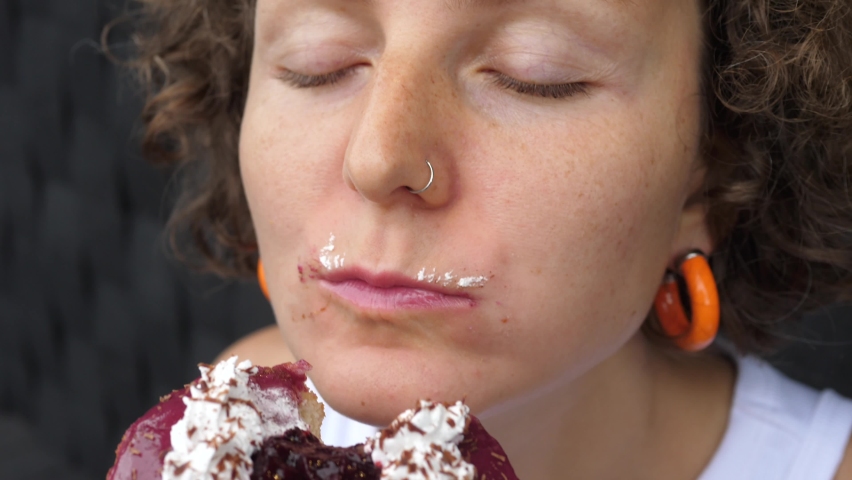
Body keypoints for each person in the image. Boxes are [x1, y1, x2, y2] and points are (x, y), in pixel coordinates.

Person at [122, 0, 852, 477]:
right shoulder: (239, 432)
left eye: (533, 77)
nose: (379, 160)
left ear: (715, 167)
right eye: (320, 64)